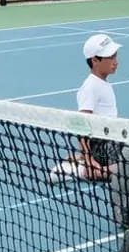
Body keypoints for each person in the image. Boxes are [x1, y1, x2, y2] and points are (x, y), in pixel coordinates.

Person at [49, 33, 123, 183]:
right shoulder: (90, 86)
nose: (116, 62)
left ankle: (83, 162)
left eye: (115, 56)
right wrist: (89, 158)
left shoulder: (102, 83)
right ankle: (80, 171)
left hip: (110, 141)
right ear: (95, 60)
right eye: (110, 57)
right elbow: (81, 124)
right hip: (105, 146)